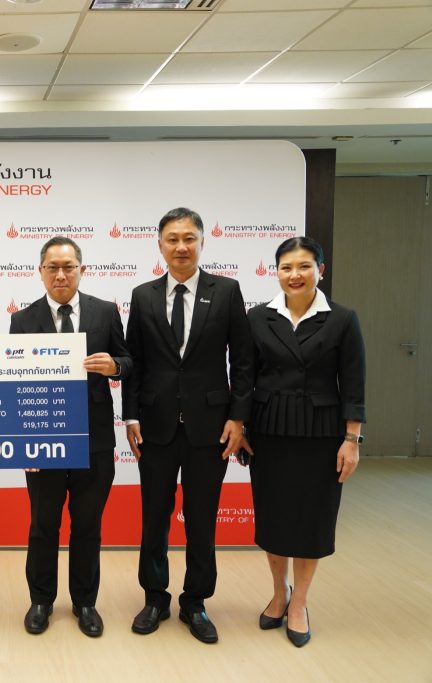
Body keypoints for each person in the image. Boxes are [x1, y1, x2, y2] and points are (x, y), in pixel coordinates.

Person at [122, 207, 252, 644]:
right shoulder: (142, 295)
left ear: (201, 242)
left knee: (201, 518)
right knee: (154, 518)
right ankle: (155, 597)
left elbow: (243, 361)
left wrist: (238, 417)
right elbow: (134, 362)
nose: (181, 246)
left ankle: (195, 601)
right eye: (172, 239)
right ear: (159, 245)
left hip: (210, 429)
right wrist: (131, 415)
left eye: (189, 238)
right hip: (155, 427)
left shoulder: (227, 291)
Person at [244, 236, 364, 648]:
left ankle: (300, 603)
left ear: (320, 271)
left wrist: (352, 439)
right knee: (274, 518)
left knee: (312, 520)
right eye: (286, 267)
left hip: (321, 433)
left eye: (304, 266)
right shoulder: (258, 317)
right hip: (269, 431)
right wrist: (241, 426)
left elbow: (353, 384)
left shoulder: (342, 319)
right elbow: (245, 377)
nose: (294, 275)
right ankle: (280, 592)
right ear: (276, 272)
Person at [9, 236, 132, 638]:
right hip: (42, 441)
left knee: (88, 525)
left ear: (81, 269)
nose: (61, 275)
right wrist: (24, 443)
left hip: (94, 439)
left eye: (68, 267)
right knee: (43, 524)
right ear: (41, 271)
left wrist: (115, 366)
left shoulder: (105, 311)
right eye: (53, 267)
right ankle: (41, 600)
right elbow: (13, 386)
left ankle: (85, 602)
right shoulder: (23, 320)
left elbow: (129, 361)